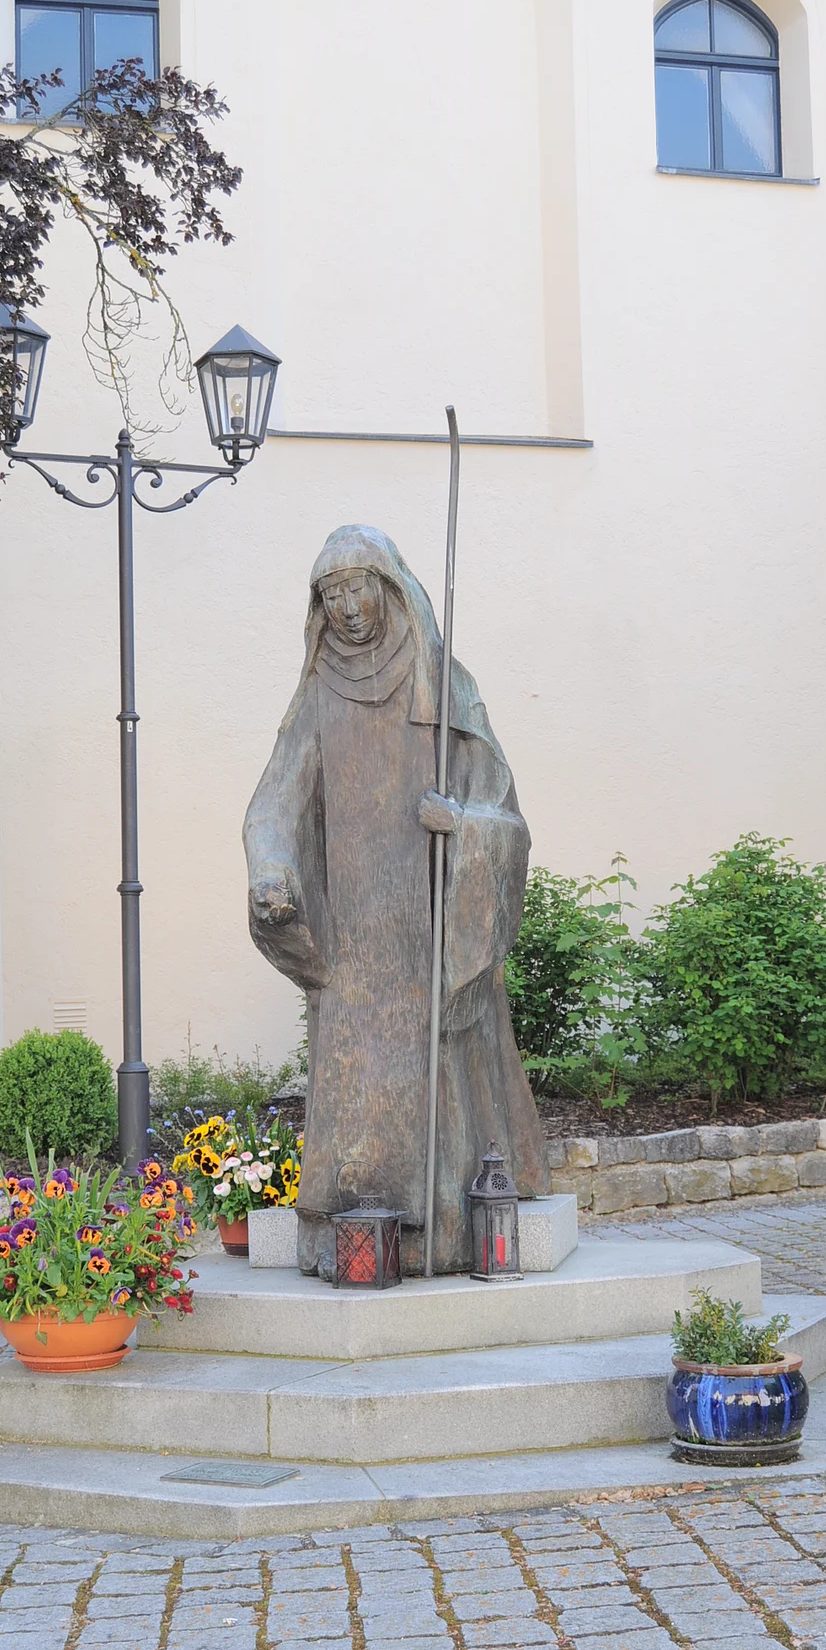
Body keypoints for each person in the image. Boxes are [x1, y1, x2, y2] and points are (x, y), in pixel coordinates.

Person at [243, 524, 547, 1276]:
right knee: (356, 1088)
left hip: (431, 929)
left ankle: (444, 1232)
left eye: (358, 587)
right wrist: (271, 872)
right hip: (352, 940)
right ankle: (346, 1237)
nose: (347, 607)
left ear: (389, 587)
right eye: (331, 593)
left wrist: (464, 825)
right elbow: (275, 804)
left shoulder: (444, 685)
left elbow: (504, 814)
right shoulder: (317, 696)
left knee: (438, 1076)